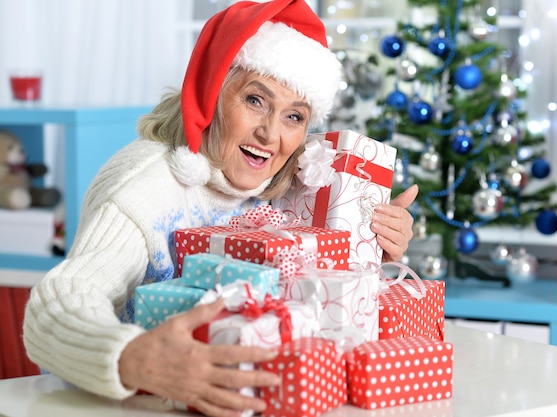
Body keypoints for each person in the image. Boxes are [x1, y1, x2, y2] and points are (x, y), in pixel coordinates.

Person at [23, 0, 419, 416]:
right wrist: (133, 359)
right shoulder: (143, 188)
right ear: (212, 92)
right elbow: (54, 308)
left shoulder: (285, 187)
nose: (270, 134)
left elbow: (327, 300)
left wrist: (376, 245)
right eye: (254, 100)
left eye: (294, 117)